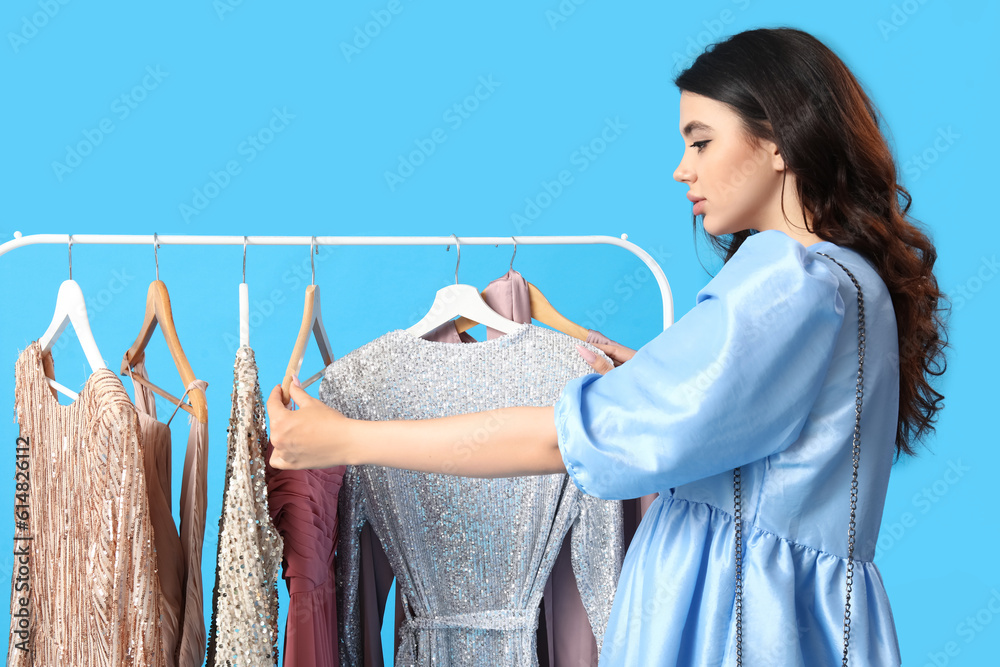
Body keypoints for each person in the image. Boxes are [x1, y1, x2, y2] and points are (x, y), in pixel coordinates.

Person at [266, 27, 947, 666]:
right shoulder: (848, 283)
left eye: (701, 141)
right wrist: (639, 371)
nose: (682, 169)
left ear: (779, 142)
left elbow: (560, 444)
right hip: (802, 619)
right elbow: (753, 443)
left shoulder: (783, 284)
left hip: (730, 624)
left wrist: (349, 439)